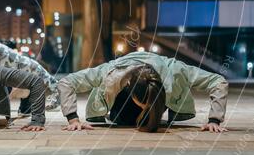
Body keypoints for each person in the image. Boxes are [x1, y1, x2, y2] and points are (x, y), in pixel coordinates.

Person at [58, 52, 228, 133]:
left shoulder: (175, 70)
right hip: (122, 108)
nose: (144, 109)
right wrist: (73, 119)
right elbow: (66, 82)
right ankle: (130, 111)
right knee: (125, 120)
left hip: (158, 90)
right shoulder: (108, 72)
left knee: (150, 117)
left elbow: (218, 81)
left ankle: (152, 109)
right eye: (143, 105)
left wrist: (214, 119)